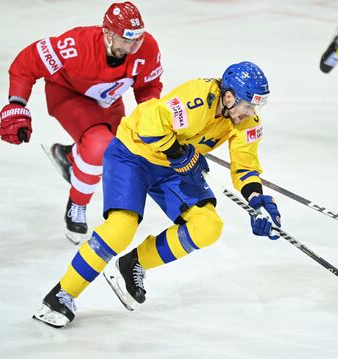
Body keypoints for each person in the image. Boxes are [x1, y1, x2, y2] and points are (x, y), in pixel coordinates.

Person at [32, 61, 282, 328]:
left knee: (208, 226)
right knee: (121, 228)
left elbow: (244, 165)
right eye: (248, 105)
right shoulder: (197, 97)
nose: (252, 112)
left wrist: (257, 201)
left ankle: (134, 264)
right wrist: (178, 153)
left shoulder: (246, 121)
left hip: (173, 166)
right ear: (229, 97)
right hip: (134, 154)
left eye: (256, 106)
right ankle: (61, 295)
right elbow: (150, 125)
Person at [0, 2, 164, 243]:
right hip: (69, 96)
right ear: (107, 33)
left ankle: (71, 157)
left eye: (136, 40)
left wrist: (150, 115)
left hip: (107, 102)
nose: (131, 47)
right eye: (125, 40)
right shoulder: (76, 45)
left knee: (119, 151)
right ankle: (77, 203)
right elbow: (27, 62)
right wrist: (16, 104)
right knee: (100, 146)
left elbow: (148, 85)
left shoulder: (147, 47)